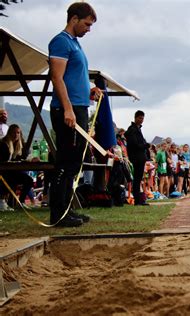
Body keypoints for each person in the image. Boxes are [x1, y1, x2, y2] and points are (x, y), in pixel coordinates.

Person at [48, 2, 101, 227]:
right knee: (65, 162)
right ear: (74, 19)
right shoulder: (61, 41)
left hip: (80, 106)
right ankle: (57, 213)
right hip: (66, 109)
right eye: (87, 24)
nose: (89, 29)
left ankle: (67, 210)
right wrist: (68, 108)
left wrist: (90, 90)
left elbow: (73, 76)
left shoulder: (75, 44)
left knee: (74, 164)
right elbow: (57, 77)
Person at [0, 125, 34, 210]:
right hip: (3, 172)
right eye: (14, 132)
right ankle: (2, 202)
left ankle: (21, 202)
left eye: (18, 133)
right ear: (9, 133)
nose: (16, 135)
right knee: (10, 179)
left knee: (29, 180)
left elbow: (21, 158)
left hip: (12, 171)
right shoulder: (3, 144)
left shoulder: (19, 145)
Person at [125, 110, 150, 206]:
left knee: (139, 179)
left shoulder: (138, 129)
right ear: (135, 118)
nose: (141, 120)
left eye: (143, 118)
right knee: (136, 179)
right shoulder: (132, 129)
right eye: (140, 118)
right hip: (136, 157)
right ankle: (137, 200)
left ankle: (139, 199)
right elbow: (135, 144)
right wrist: (145, 145)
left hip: (140, 157)